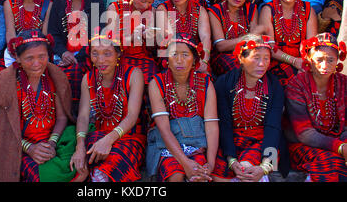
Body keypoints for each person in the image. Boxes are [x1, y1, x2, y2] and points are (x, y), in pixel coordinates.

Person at [0, 30, 76, 182]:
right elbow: (3, 130)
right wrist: (30, 148)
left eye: (42, 57)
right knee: (46, 176)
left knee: (80, 157)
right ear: (17, 58)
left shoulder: (55, 76)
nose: (37, 63)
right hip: (18, 146)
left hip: (52, 142)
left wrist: (51, 143)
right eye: (29, 58)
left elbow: (62, 117)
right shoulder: (5, 83)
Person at [69, 32, 146, 182]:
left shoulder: (133, 74)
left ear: (118, 54)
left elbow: (132, 116)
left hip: (129, 137)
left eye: (107, 53)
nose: (101, 60)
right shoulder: (89, 78)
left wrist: (108, 140)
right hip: (98, 137)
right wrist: (80, 146)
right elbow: (83, 116)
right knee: (78, 164)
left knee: (113, 165)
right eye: (95, 53)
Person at [212, 34, 285, 182]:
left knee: (248, 172)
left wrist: (265, 165)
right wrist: (231, 159)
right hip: (230, 141)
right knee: (213, 174)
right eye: (256, 57)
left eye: (266, 58)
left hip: (262, 142)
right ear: (241, 58)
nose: (262, 64)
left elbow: (274, 127)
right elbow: (224, 124)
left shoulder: (274, 85)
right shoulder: (224, 83)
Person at [147, 34, 218, 182]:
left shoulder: (205, 83)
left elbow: (211, 126)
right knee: (175, 176)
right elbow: (164, 129)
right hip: (166, 146)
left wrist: (210, 164)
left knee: (201, 176)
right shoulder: (157, 83)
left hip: (196, 144)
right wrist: (185, 163)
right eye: (174, 55)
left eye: (185, 55)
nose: (179, 60)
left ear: (194, 60)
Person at [284, 33, 347, 182]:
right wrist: (340, 148)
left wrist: (344, 144)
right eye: (319, 60)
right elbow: (304, 133)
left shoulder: (343, 83)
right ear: (309, 61)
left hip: (340, 140)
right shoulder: (297, 84)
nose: (325, 66)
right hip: (304, 145)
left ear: (338, 60)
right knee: (333, 164)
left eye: (330, 60)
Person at [48, 0, 105, 117]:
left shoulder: (95, 3)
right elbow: (53, 33)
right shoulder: (59, 3)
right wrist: (64, 53)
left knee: (76, 71)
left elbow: (97, 35)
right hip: (63, 54)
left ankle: (79, 114)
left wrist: (77, 56)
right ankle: (62, 114)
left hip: (87, 54)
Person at [259, 0, 318, 86]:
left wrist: (304, 63)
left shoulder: (308, 9)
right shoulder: (268, 9)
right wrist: (293, 61)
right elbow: (269, 47)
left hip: (303, 59)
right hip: (277, 59)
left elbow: (312, 45)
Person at [156, 0, 211, 74]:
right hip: (170, 56)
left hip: (195, 55)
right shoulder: (163, 9)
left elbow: (205, 37)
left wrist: (204, 60)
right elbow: (166, 39)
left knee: (204, 74)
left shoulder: (199, 9)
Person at [106, 0, 159, 85]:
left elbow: (152, 48)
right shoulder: (115, 8)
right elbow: (109, 43)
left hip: (144, 58)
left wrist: (150, 39)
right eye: (143, 1)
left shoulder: (151, 10)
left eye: (150, 2)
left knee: (151, 82)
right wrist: (131, 38)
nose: (146, 6)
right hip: (120, 58)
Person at [208, 0, 259, 77]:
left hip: (247, 52)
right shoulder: (215, 11)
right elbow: (221, 46)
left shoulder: (251, 9)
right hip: (223, 56)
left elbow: (254, 41)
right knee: (238, 67)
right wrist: (247, 38)